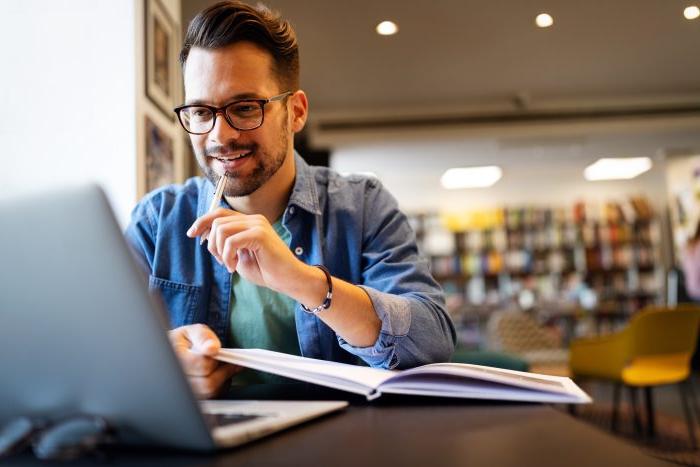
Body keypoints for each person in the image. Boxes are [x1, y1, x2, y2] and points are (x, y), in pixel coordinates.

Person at [125, 0, 455, 398]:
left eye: (245, 108)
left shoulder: (363, 206)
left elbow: (432, 341)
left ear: (295, 112)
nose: (219, 136)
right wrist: (163, 364)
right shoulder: (157, 221)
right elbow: (99, 354)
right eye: (200, 111)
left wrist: (304, 281)